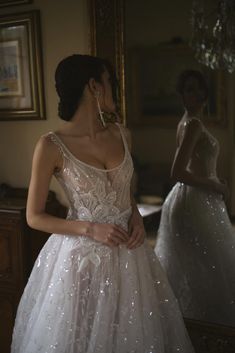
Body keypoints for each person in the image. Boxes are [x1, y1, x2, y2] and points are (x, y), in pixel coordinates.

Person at [11, 54, 194, 353]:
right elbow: (34, 216)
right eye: (109, 81)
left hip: (130, 258)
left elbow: (125, 193)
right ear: (93, 87)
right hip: (80, 261)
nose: (114, 88)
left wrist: (134, 216)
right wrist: (90, 229)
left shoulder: (123, 134)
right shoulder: (50, 145)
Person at [155, 69, 235, 326]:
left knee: (197, 264)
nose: (197, 93)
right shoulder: (193, 123)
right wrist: (215, 186)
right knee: (204, 265)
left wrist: (213, 184)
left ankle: (192, 325)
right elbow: (177, 172)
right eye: (190, 89)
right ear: (181, 95)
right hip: (194, 201)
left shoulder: (188, 121)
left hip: (192, 198)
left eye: (200, 87)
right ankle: (206, 329)